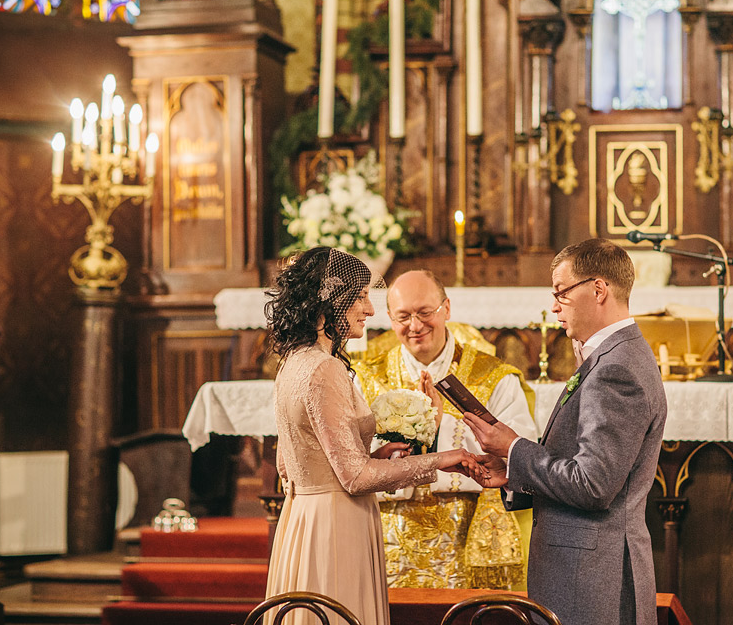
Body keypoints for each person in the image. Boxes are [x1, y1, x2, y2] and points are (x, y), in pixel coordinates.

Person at [263, 248, 474, 625]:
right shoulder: (324, 369)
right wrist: (443, 458)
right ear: (332, 300)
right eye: (361, 296)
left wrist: (376, 454)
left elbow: (291, 463)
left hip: (304, 520)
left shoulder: (292, 362)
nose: (370, 309)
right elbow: (354, 478)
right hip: (335, 526)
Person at [464, 238, 667, 625]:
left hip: (589, 578)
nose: (554, 306)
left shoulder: (615, 368)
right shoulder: (612, 356)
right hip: (585, 568)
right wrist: (514, 471)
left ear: (598, 288)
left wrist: (515, 447)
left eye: (561, 292)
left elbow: (593, 484)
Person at [353, 269, 538, 589]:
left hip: (466, 535)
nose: (415, 326)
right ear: (389, 318)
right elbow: (351, 459)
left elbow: (521, 453)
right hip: (387, 537)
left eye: (425, 313)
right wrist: (419, 431)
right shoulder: (365, 376)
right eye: (403, 316)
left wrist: (443, 426)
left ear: (447, 309)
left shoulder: (495, 376)